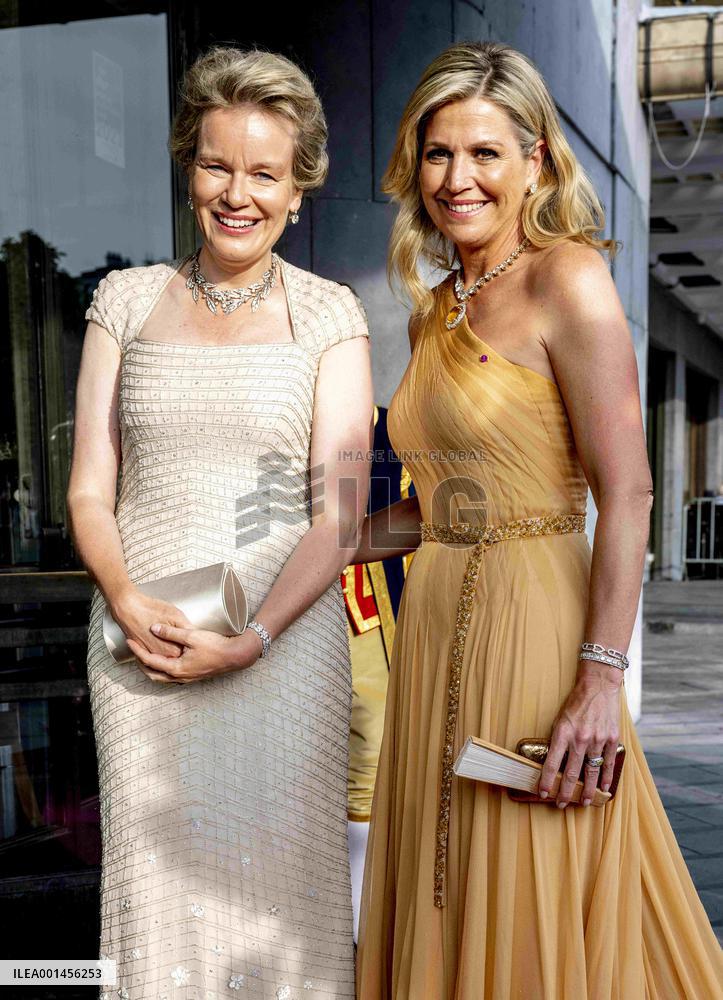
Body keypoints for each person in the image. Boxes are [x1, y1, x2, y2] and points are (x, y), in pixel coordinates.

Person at [354, 41, 723, 999]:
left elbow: (630, 490)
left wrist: (601, 682)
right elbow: (428, 509)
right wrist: (313, 549)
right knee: (441, 870)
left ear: (537, 161)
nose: (457, 178)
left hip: (535, 623)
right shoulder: (430, 311)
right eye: (437, 153)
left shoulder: (569, 278)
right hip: (433, 624)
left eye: (484, 153)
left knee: (533, 852)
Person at [66, 45, 373, 999]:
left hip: (283, 655)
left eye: (263, 173)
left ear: (298, 190)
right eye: (215, 164)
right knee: (156, 900)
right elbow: (87, 488)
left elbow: (346, 510)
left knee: (281, 903)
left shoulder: (331, 314)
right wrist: (124, 597)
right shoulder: (120, 301)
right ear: (187, 166)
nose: (235, 192)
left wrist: (254, 639)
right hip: (141, 649)